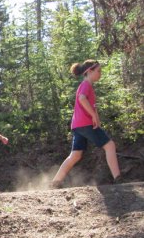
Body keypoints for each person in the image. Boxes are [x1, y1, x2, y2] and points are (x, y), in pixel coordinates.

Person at [51, 60, 121, 188]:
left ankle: (55, 182)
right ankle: (118, 178)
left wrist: (96, 118)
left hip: (78, 125)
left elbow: (91, 106)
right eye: (98, 71)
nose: (100, 73)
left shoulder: (86, 85)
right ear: (89, 71)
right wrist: (93, 116)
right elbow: (82, 99)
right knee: (110, 145)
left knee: (76, 154)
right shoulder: (86, 85)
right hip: (85, 123)